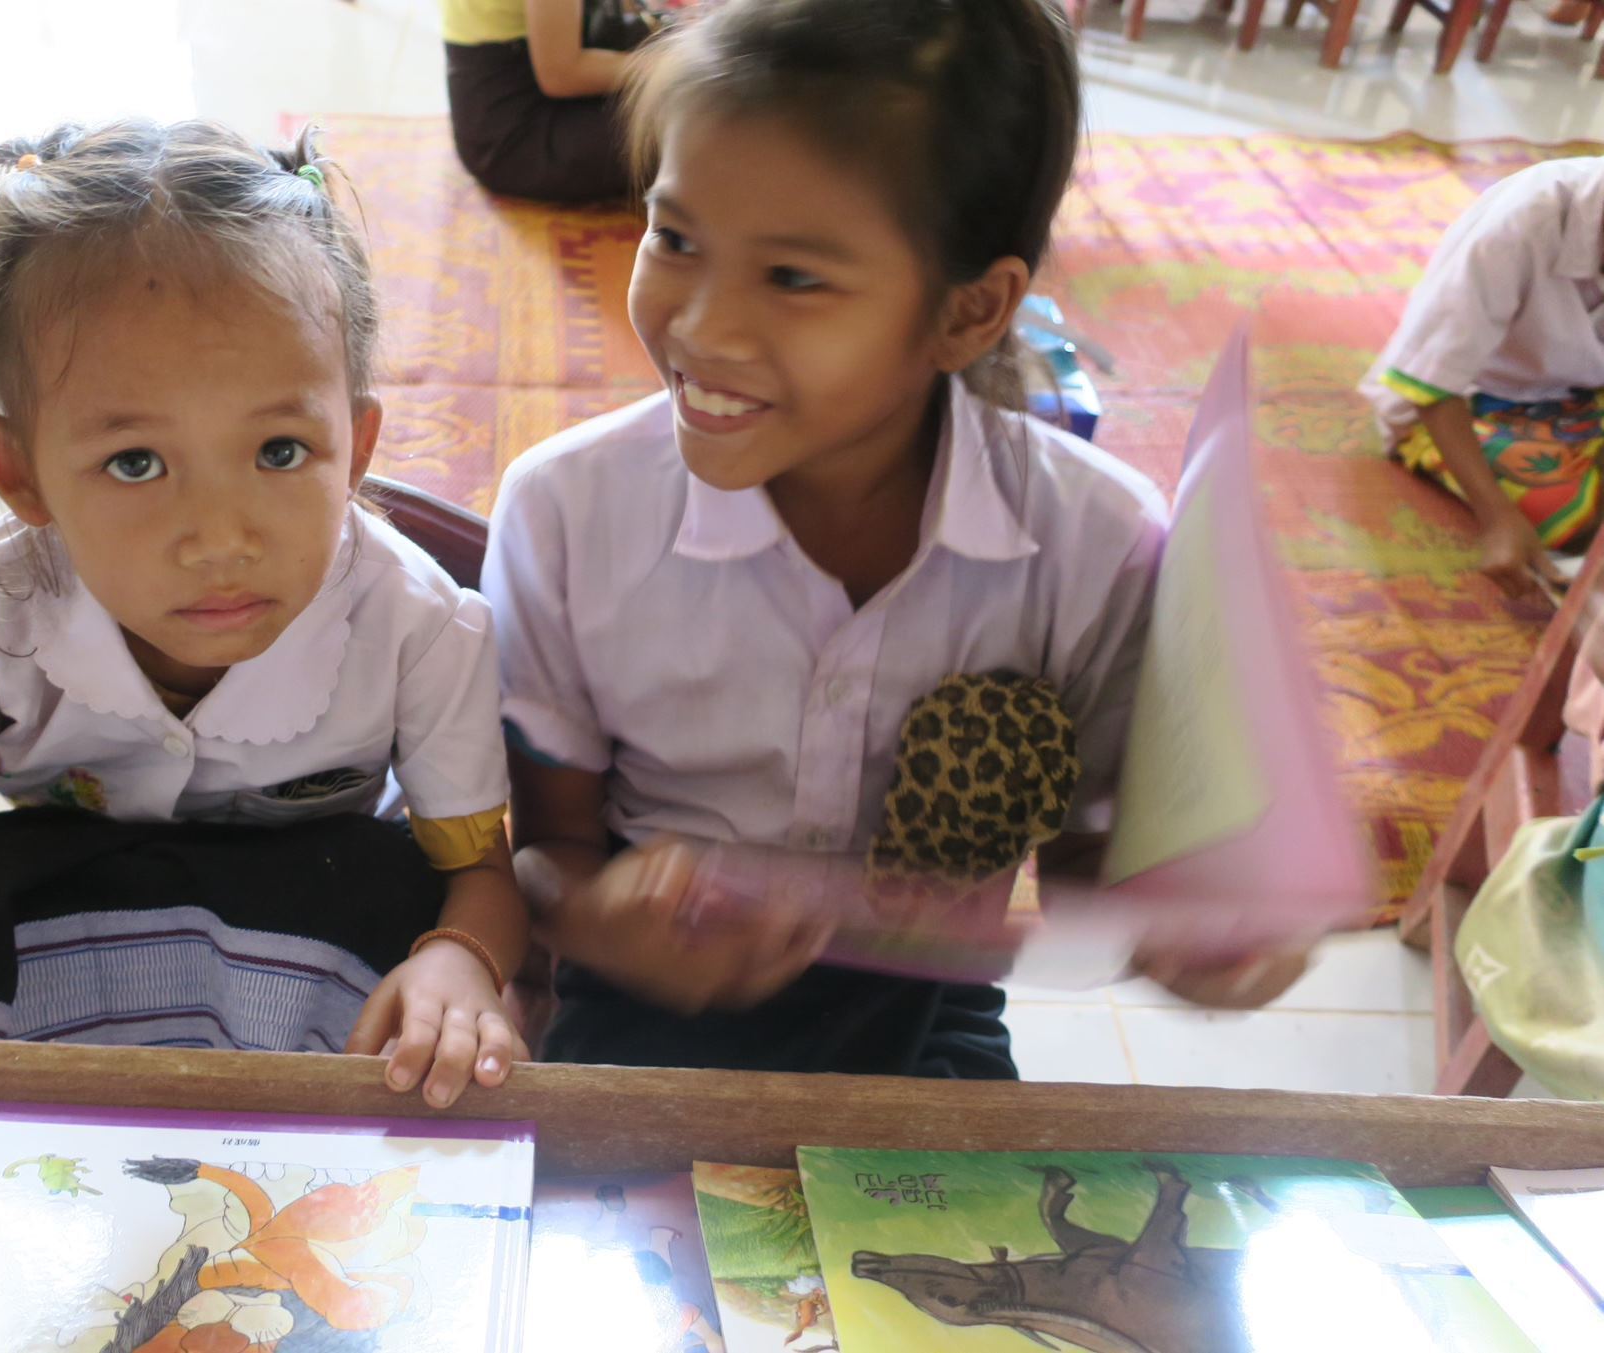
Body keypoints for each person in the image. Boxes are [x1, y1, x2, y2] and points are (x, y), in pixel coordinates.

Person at [485, 0, 1308, 1080]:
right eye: (675, 239)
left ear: (969, 313)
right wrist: (600, 917)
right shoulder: (563, 514)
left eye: (793, 278)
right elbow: (546, 853)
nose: (702, 326)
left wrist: (1193, 935)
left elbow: (1087, 865)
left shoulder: (1096, 549)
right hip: (641, 1002)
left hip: (930, 1021)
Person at [0, 119, 528, 1116]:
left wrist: (462, 962)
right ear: (19, 471)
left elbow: (481, 876)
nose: (218, 539)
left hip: (319, 922)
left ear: (356, 443)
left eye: (280, 452)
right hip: (73, 921)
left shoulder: (423, 629)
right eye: (136, 463)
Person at [1361, 155, 1604, 598]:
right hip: (1475, 397)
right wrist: (1497, 517)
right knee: (1562, 510)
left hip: (1584, 391)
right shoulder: (1524, 220)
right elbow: (1430, 383)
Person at [442, 0, 657, 203]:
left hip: (540, 59)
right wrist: (664, 66)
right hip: (513, 132)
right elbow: (561, 76)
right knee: (672, 131)